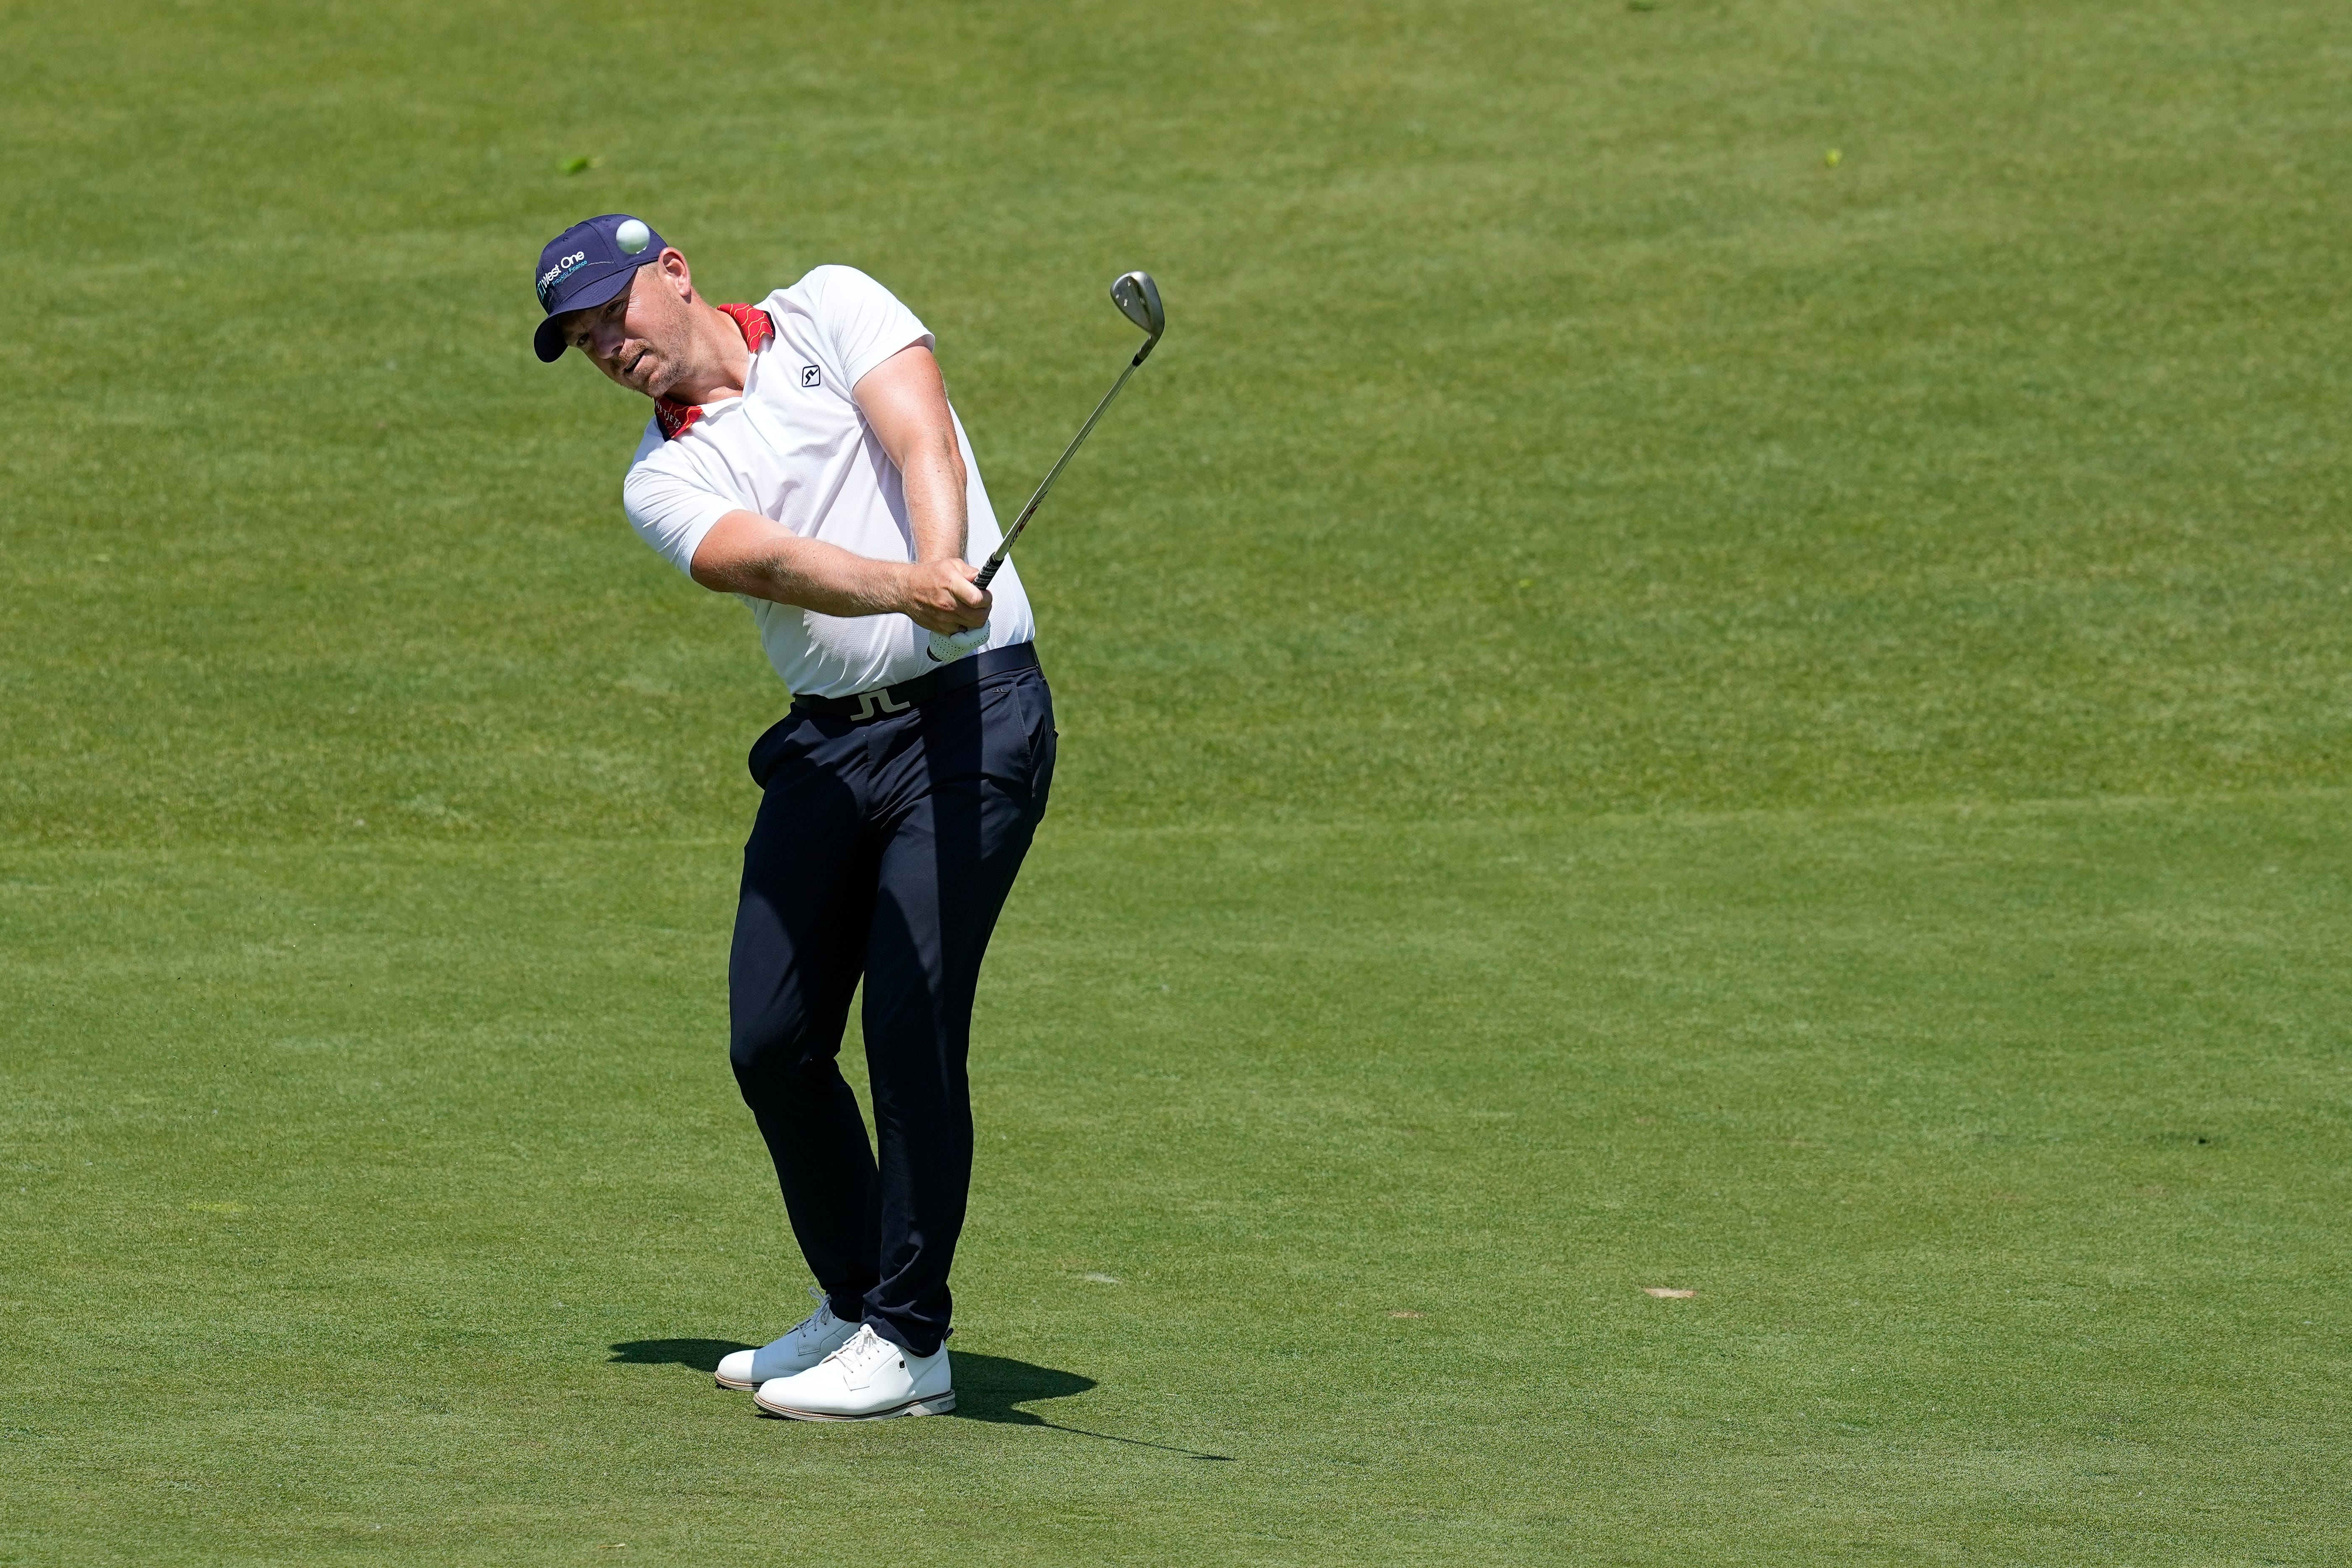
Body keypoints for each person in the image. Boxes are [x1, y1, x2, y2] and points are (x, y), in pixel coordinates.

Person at [530, 214, 1057, 1420]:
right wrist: (905, 587)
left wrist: (941, 570)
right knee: (770, 1041)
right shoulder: (662, 475)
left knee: (913, 1016)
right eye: (582, 338)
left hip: (975, 719)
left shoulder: (831, 302)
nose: (610, 344)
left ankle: (913, 1344)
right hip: (831, 742)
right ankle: (859, 1298)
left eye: (615, 312)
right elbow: (760, 563)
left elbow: (919, 431)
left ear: (675, 274)